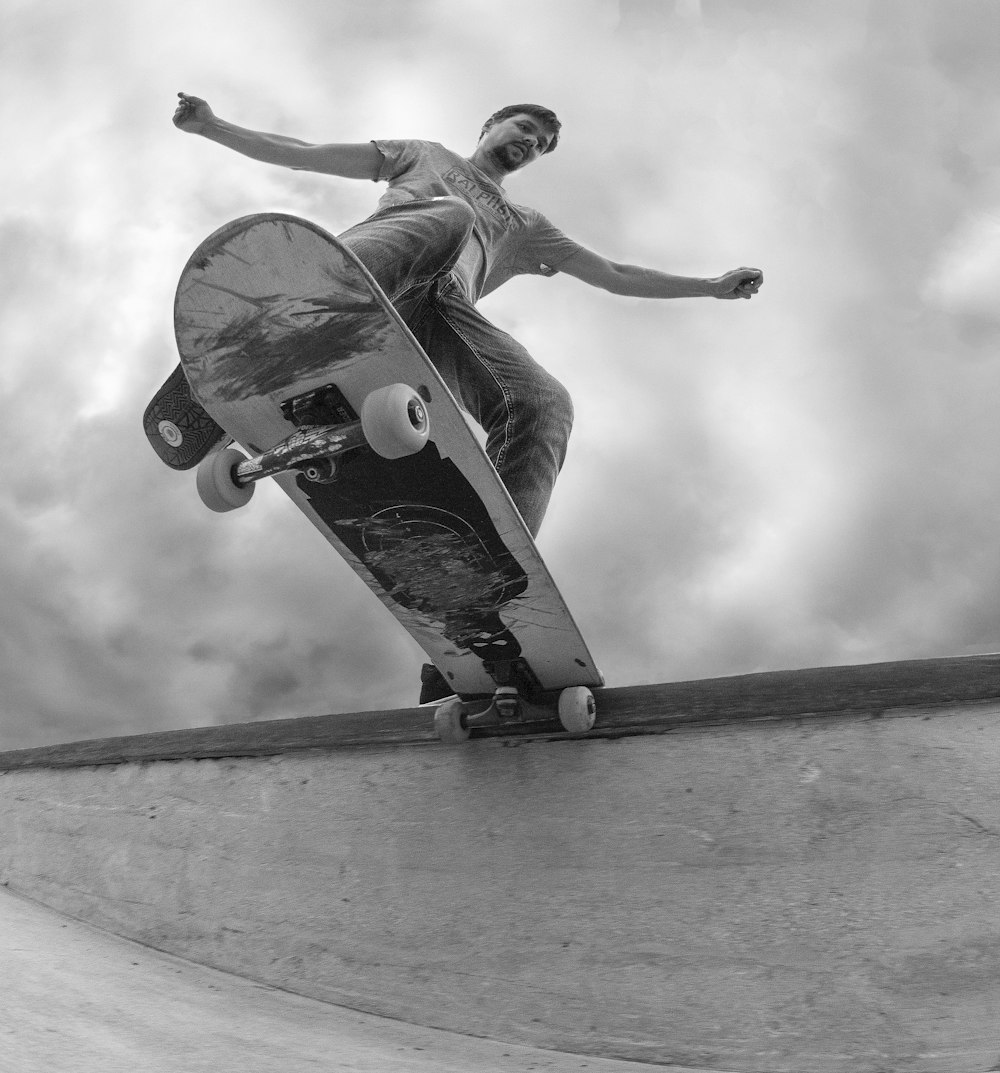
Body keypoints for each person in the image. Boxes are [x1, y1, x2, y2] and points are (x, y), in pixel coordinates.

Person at [172, 92, 763, 702]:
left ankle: (479, 592)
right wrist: (212, 126)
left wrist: (711, 287)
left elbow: (614, 274)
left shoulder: (526, 226)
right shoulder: (422, 154)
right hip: (373, 272)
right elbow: (307, 153)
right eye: (525, 128)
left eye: (540, 144)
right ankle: (284, 322)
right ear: (491, 125)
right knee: (448, 216)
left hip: (432, 315)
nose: (530, 143)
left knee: (543, 405)